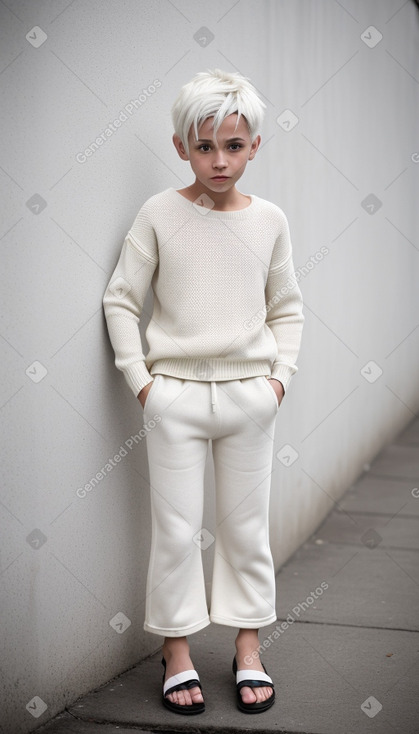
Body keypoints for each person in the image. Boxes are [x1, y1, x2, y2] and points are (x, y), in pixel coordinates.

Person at [102, 68, 304, 716]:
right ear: (180, 146)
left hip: (250, 399)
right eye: (204, 146)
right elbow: (121, 298)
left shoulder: (270, 220)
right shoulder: (159, 213)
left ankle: (248, 647)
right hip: (174, 401)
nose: (219, 160)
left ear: (255, 146)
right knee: (175, 530)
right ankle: (178, 651)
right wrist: (142, 383)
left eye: (234, 145)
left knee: (245, 529)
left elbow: (287, 308)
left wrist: (278, 380)